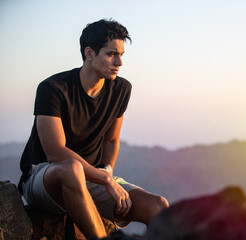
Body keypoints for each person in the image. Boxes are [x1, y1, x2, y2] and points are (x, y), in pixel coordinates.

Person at [18, 19, 169, 239]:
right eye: (111, 54)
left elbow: (111, 140)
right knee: (71, 168)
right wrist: (106, 180)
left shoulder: (121, 89)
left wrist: (107, 172)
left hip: (91, 178)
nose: (119, 62)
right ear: (89, 53)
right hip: (44, 177)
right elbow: (55, 152)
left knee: (158, 206)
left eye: (121, 55)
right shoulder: (53, 89)